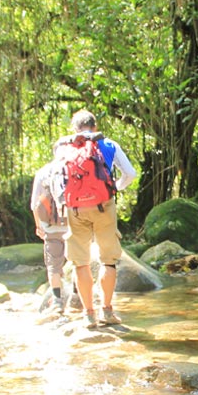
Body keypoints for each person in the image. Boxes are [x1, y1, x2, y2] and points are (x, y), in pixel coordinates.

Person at [58, 109, 137, 330]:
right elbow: (130, 173)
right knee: (108, 259)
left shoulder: (65, 147)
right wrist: (114, 189)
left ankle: (88, 315)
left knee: (80, 262)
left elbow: (58, 179)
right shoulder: (108, 144)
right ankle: (107, 311)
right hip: (104, 205)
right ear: (95, 125)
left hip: (75, 209)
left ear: (75, 129)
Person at [30, 145, 70, 313]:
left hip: (50, 226)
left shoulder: (43, 172)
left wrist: (39, 225)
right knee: (79, 261)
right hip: (73, 225)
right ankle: (77, 296)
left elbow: (34, 204)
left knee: (53, 266)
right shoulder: (73, 169)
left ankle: (57, 301)